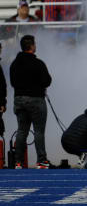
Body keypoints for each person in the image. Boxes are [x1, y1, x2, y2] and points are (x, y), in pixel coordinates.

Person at [10, 35, 52, 169]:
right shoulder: (38, 63)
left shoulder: (14, 64)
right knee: (39, 131)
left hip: (19, 100)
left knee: (22, 131)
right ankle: (41, 160)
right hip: (36, 100)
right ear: (32, 46)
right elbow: (47, 81)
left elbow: (12, 82)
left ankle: (18, 162)